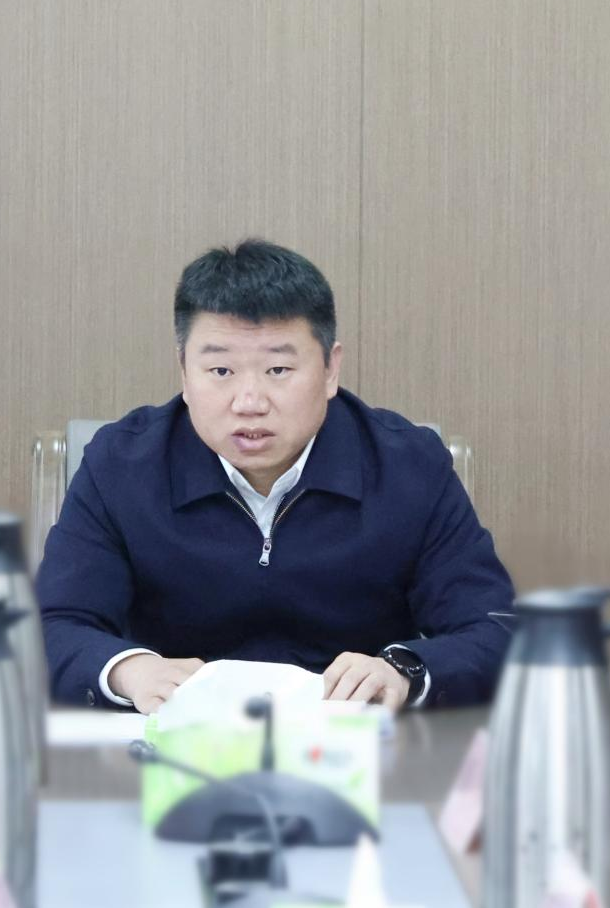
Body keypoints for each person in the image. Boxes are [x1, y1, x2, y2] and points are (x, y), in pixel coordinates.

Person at [36, 239, 514, 713]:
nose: (249, 402)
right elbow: (52, 624)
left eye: (278, 369)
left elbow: (496, 628)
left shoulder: (409, 466)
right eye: (220, 370)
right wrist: (129, 670)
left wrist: (404, 670)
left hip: (354, 736)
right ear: (184, 372)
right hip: (175, 734)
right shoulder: (121, 465)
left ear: (330, 369)